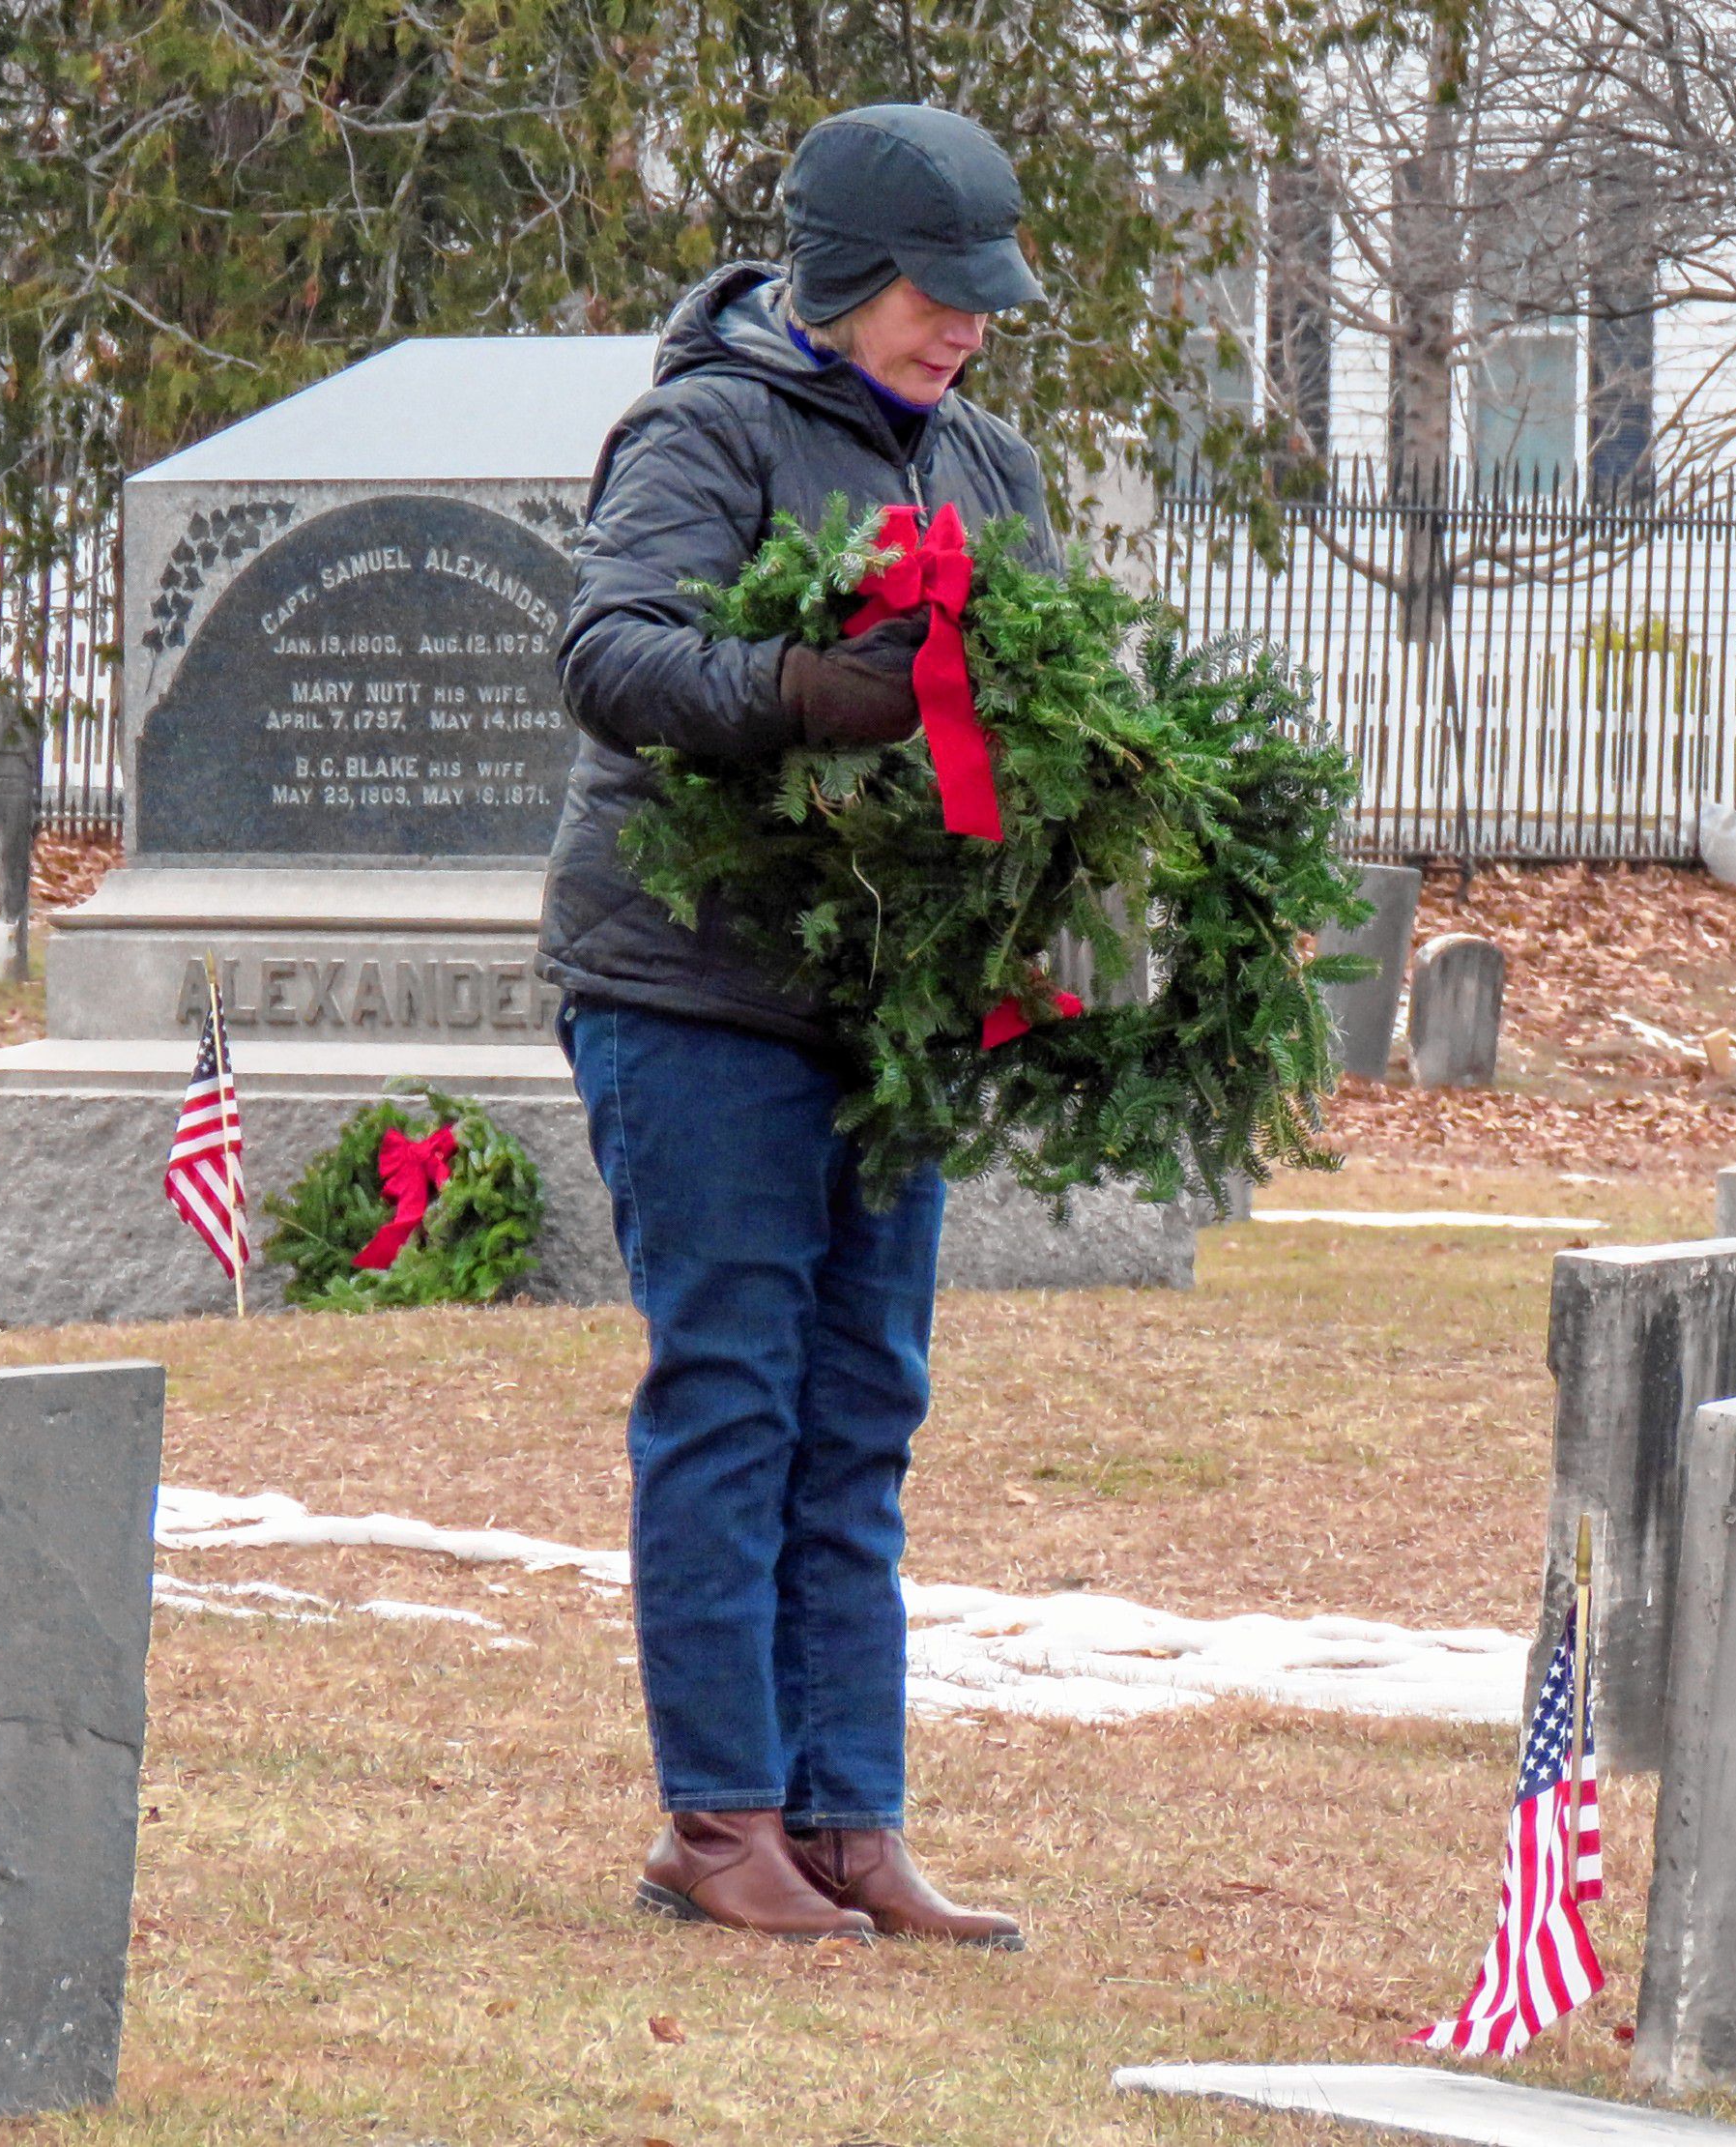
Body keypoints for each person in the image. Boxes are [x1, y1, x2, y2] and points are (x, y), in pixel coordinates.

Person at [538, 102, 1054, 1948]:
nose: (972, 327)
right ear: (842, 281)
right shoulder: (706, 425)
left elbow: (1038, 708)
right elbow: (610, 654)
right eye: (942, 292)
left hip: (883, 1002)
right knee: (736, 1393)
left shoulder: (989, 464)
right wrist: (802, 692)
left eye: (989, 298)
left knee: (864, 1412)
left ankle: (851, 1820)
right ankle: (720, 1819)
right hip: (693, 986)